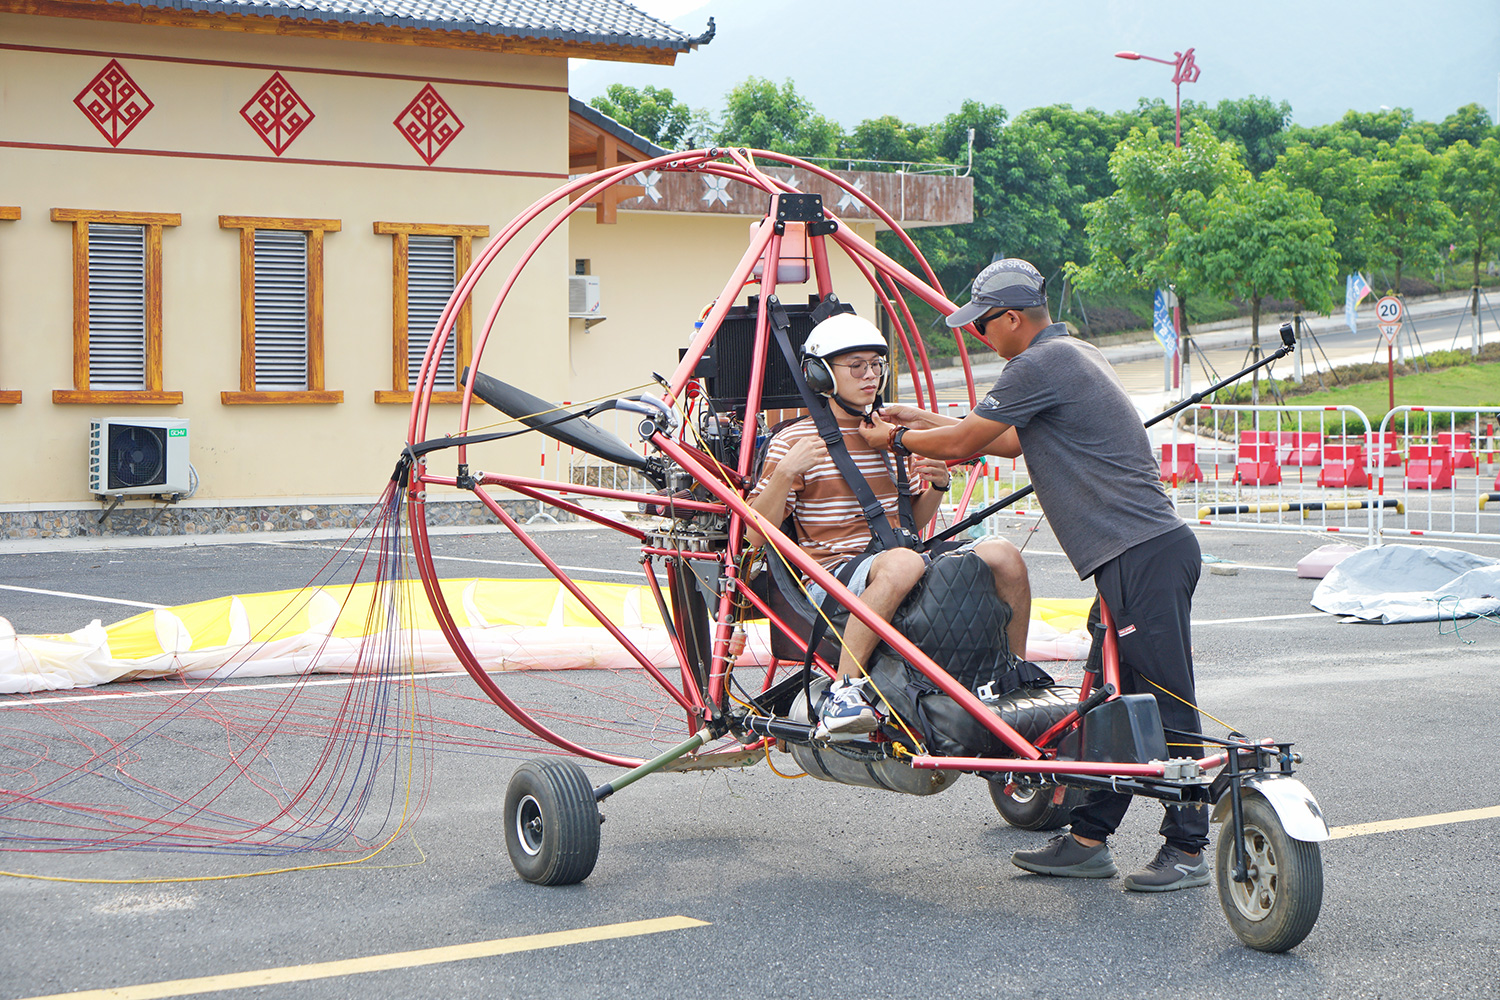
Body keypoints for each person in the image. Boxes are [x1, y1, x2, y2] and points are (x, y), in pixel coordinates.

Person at [857, 259, 1209, 892]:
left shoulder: (1039, 365)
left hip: (1141, 552)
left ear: (1012, 319)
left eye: (983, 327)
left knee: (1166, 702)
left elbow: (967, 441)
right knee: (1108, 699)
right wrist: (916, 419)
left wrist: (900, 440)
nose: (979, 339)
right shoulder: (1071, 353)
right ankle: (1088, 839)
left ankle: (1187, 847)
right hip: (1135, 554)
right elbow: (1011, 441)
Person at [745, 312, 1033, 738]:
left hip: (896, 559)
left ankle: (1013, 674)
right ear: (822, 374)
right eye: (856, 366)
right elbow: (754, 535)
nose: (870, 376)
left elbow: (909, 525)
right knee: (901, 564)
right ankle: (845, 690)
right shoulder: (794, 442)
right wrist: (785, 474)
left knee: (1002, 553)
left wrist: (936, 486)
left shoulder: (888, 436)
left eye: (876, 365)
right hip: (832, 577)